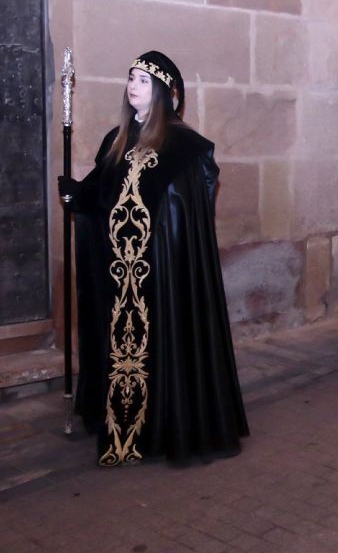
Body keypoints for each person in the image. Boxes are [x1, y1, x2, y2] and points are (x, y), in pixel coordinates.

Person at [58, 51, 249, 466]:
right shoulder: (117, 139)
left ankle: (165, 428)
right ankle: (125, 425)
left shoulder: (184, 145)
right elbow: (100, 190)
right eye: (131, 77)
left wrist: (165, 248)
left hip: (161, 270)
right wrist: (76, 193)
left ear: (163, 92)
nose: (133, 85)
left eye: (143, 80)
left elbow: (187, 210)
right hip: (118, 270)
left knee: (164, 346)